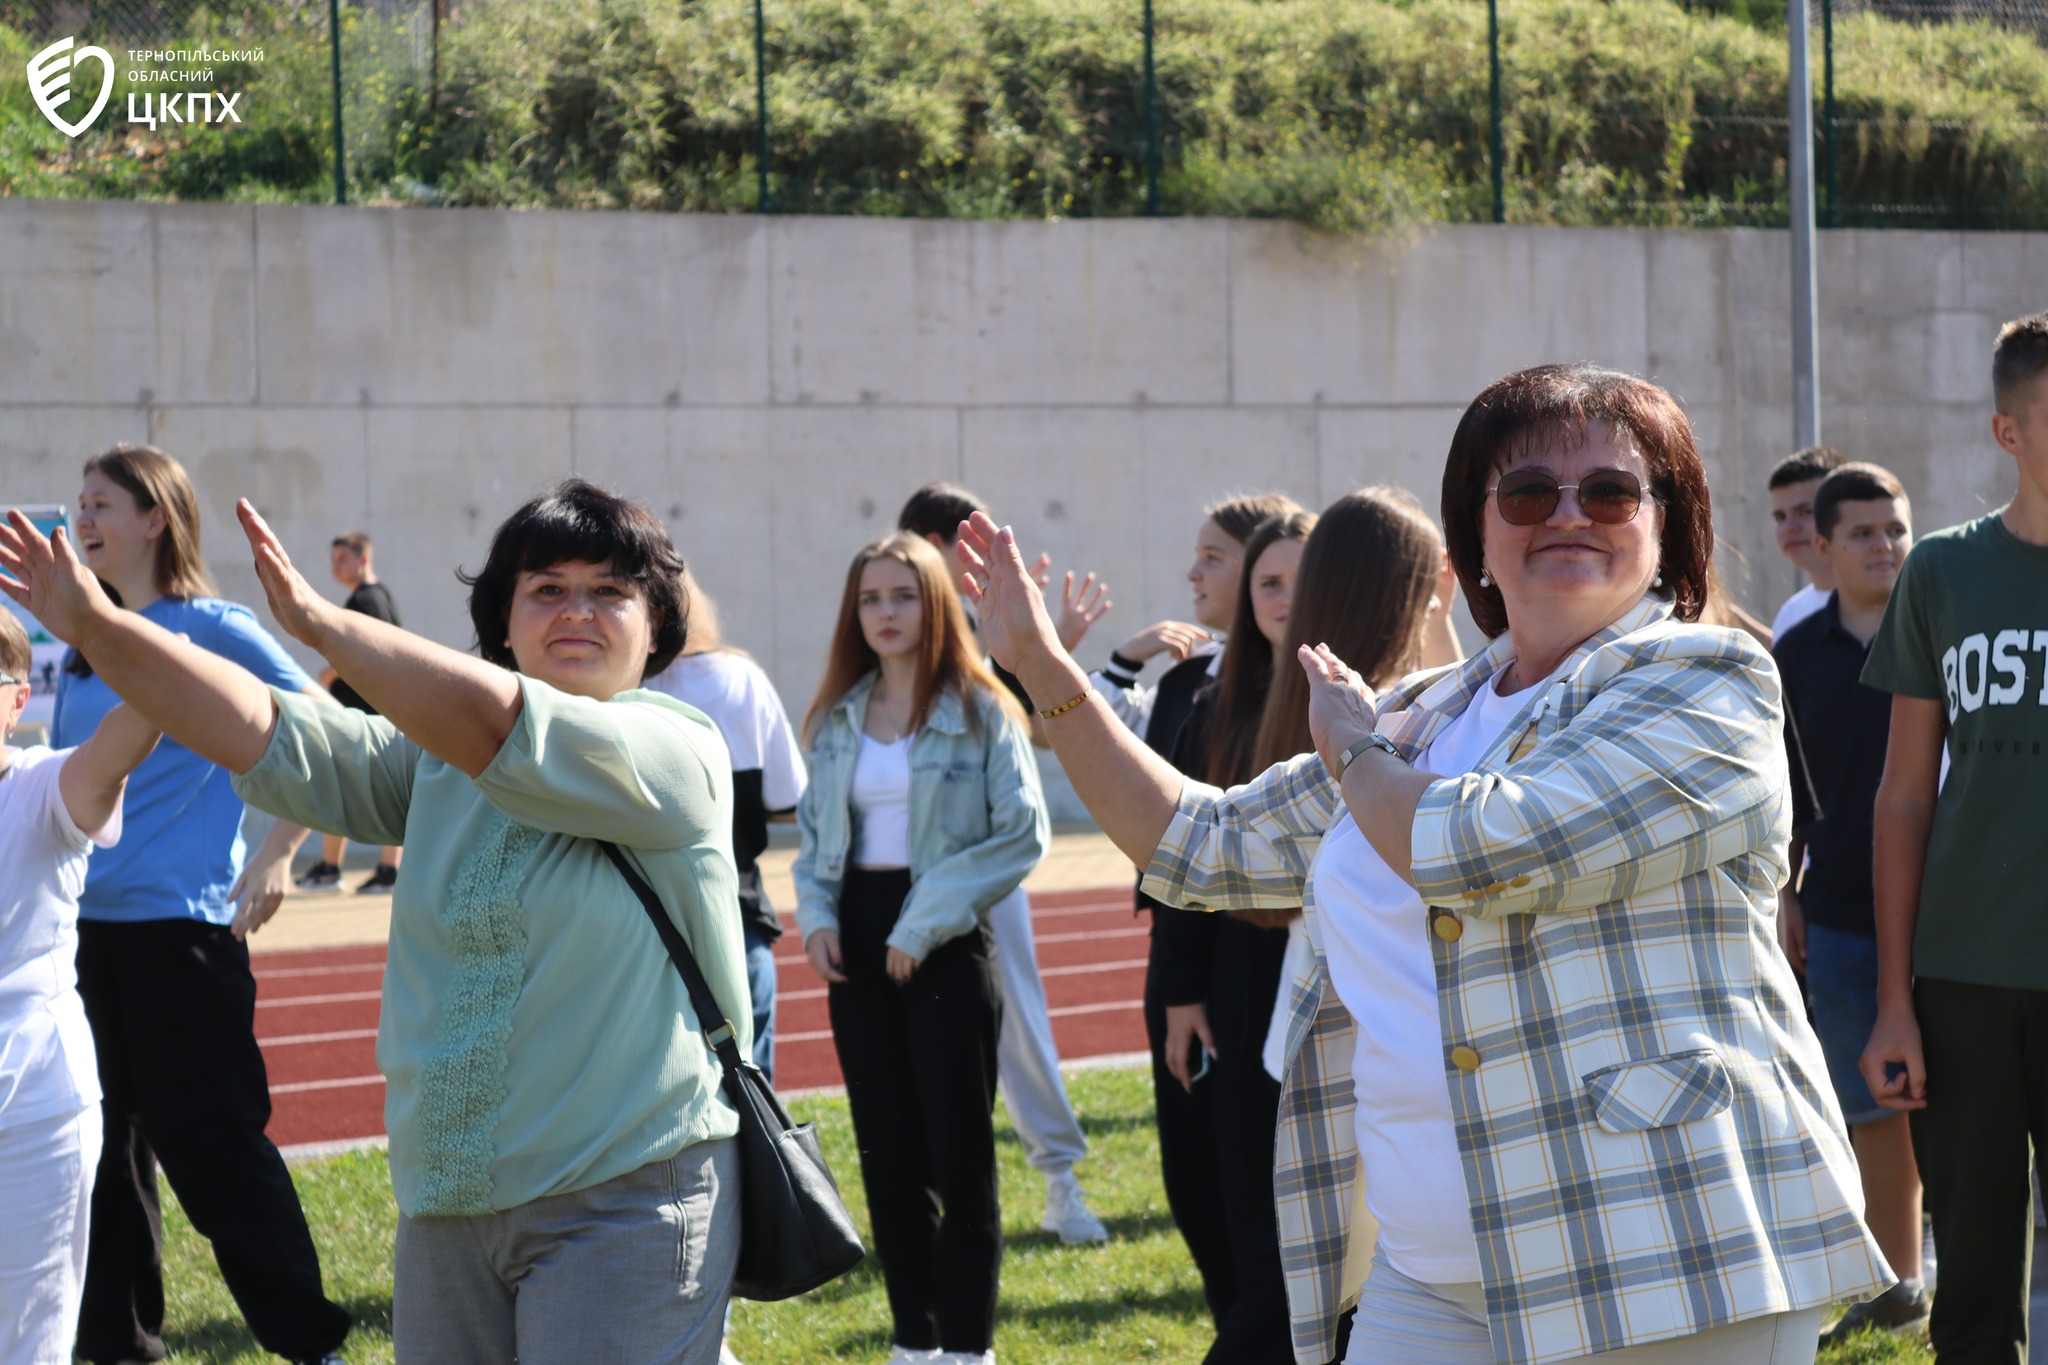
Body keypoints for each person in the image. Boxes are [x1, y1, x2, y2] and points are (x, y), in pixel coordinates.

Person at [957, 362, 1888, 1365]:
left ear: (1666, 525)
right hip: (1430, 1267)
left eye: (1611, 490)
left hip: (1662, 1255)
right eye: (1528, 491)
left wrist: (1354, 752)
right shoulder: (1428, 709)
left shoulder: (1709, 679)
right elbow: (1202, 846)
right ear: (1474, 536)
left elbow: (1487, 847)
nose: (1568, 513)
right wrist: (1043, 671)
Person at [3, 479, 751, 1365]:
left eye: (608, 590)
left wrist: (325, 627)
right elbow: (261, 725)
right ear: (503, 621)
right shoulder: (434, 764)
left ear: (656, 623)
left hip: (622, 1194)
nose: (576, 611)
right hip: (448, 1204)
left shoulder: (678, 747)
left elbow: (495, 721)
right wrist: (100, 629)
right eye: (546, 588)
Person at [48, 446, 351, 1365]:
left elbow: (328, 735)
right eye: (82, 503)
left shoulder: (212, 627)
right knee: (101, 1159)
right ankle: (119, 1348)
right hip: (82, 943)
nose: (85, 518)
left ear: (156, 519)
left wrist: (279, 851)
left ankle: (311, 1345)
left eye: (104, 503)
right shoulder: (78, 646)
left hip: (180, 939)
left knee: (213, 1148)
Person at [793, 533, 1050, 1365]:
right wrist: (817, 915)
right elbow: (811, 839)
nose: (885, 613)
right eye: (871, 598)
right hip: (859, 945)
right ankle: (914, 1341)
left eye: (903, 595)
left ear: (936, 603)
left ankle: (967, 1346)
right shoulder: (837, 716)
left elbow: (1020, 834)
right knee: (887, 1154)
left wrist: (920, 920)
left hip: (942, 943)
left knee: (959, 1155)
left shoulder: (981, 710)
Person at [1860, 310, 2048, 1365]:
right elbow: (1900, 798)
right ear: (2004, 432)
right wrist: (1893, 1001)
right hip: (1962, 976)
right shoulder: (1939, 573)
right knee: (1972, 1294)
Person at [1099, 490, 1299, 1322]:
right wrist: (1180, 987)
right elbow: (1172, 838)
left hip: (1289, 965)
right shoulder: (1197, 688)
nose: (1195, 572)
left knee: (1270, 1185)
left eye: (1214, 556)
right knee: (1199, 1176)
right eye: (1268, 582)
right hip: (1200, 961)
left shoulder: (1351, 690)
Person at [896, 483, 1109, 1246]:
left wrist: (1050, 659)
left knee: (1020, 1018)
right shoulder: (893, 622)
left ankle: (1060, 1182)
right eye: (964, 541)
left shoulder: (991, 629)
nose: (976, 554)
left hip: (986, 863)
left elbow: (1031, 732)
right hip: (901, 872)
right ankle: (921, 1200)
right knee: (905, 1039)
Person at [1771, 461, 1927, 1346]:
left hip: (1948, 914)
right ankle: (1899, 1295)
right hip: (1833, 916)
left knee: (1956, 1106)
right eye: (1862, 533)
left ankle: (1944, 1283)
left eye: (1895, 528)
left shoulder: (1945, 638)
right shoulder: (1793, 657)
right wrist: (1784, 893)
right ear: (1823, 548)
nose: (1883, 546)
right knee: (1865, 1107)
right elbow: (1783, 798)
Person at [0, 607, 157, 1365]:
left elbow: (142, 719)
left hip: (33, 1107)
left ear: (18, 697)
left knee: (28, 1337)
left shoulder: (42, 788)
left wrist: (96, 626)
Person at [646, 567, 807, 1082]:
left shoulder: (613, 688)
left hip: (643, 932)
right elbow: (789, 800)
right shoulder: (741, 677)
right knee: (755, 1103)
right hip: (738, 915)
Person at [296, 530, 404, 894]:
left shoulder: (365, 601)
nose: (335, 566)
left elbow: (362, 649)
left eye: (342, 558)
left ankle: (330, 869)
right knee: (387, 790)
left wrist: (325, 677)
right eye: (333, 558)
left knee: (336, 785)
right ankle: (386, 871)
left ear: (363, 559)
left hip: (362, 714)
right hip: (379, 711)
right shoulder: (380, 596)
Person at [1768, 446, 1849, 640]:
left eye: (1805, 512)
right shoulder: (1789, 616)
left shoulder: (1891, 607)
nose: (1788, 527)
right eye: (1780, 517)